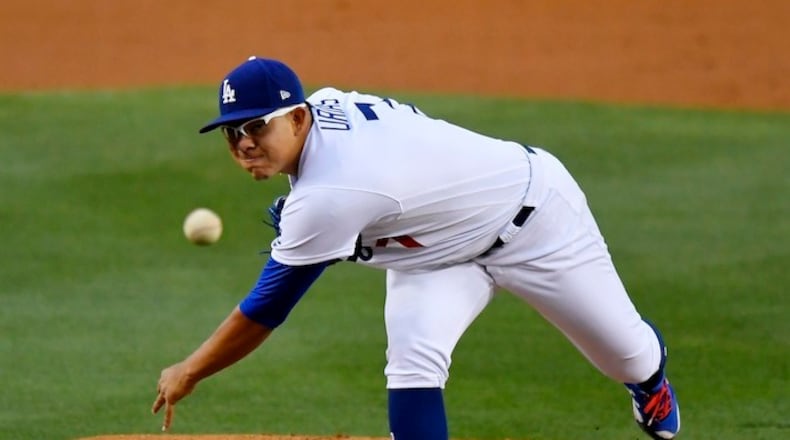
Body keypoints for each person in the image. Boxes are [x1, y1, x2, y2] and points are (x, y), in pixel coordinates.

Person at [152, 56, 681, 440]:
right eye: (230, 133)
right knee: (412, 366)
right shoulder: (327, 113)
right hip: (434, 253)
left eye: (255, 126)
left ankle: (650, 381)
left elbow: (267, 307)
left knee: (628, 356)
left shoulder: (331, 194)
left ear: (297, 117)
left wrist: (189, 369)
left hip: (537, 219)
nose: (243, 143)